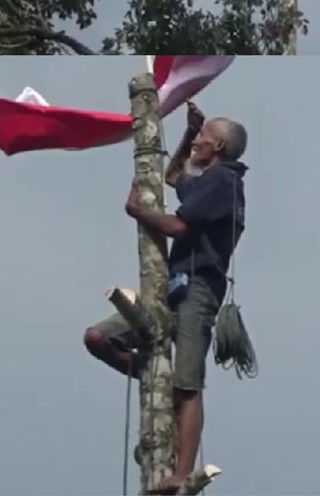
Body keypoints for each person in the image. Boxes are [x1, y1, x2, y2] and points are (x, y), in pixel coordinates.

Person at [83, 103, 248, 495]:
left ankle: (182, 473)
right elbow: (174, 176)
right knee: (98, 338)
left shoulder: (223, 180)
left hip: (197, 289)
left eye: (205, 135)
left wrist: (137, 211)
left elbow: (177, 225)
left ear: (220, 145)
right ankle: (158, 382)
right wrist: (188, 134)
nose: (199, 141)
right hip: (170, 286)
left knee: (189, 385)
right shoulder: (208, 177)